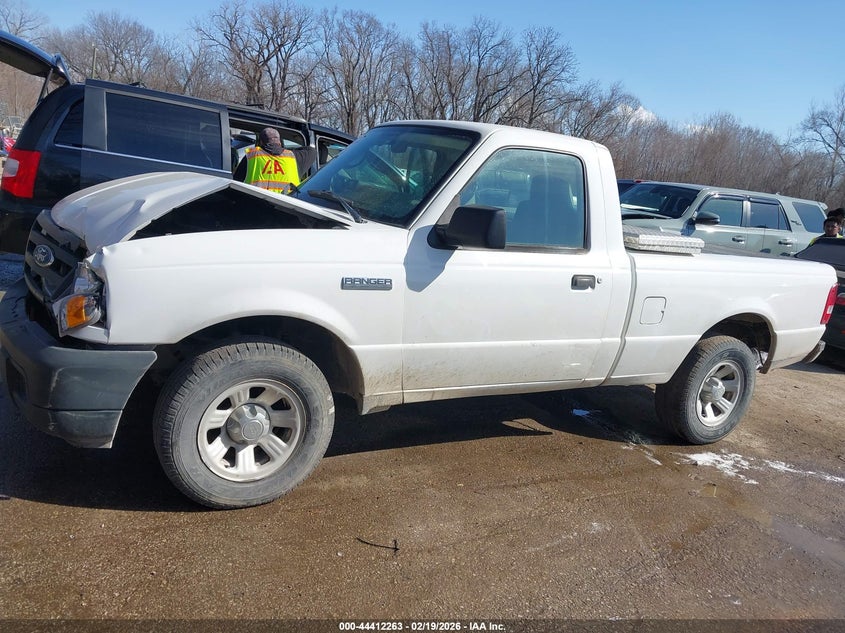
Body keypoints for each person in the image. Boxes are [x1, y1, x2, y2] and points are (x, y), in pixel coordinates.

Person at [234, 127, 317, 194]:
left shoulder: (252, 156)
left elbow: (236, 181)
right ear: (279, 142)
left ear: (261, 142)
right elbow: (312, 151)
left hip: (255, 205)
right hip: (285, 208)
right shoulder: (293, 157)